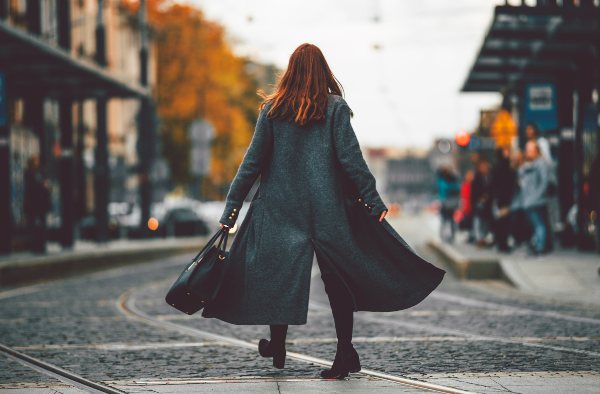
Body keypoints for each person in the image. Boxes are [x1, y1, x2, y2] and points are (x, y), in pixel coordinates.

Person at [201, 43, 445, 379]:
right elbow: (351, 160)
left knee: (280, 276)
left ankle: (278, 345)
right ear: (323, 72)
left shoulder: (272, 110)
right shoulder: (335, 108)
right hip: (327, 210)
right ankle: (344, 352)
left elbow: (252, 162)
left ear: (291, 72)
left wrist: (231, 208)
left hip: (279, 210)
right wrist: (372, 200)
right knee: (337, 281)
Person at [518, 141, 549, 256]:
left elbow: (544, 182)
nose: (528, 152)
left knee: (539, 224)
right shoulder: (528, 165)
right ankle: (537, 244)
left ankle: (540, 246)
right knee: (535, 224)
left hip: (536, 201)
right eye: (527, 150)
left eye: (530, 150)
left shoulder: (541, 164)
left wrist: (536, 196)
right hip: (528, 201)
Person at [491, 147, 516, 252]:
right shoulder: (506, 165)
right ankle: (503, 244)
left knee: (500, 222)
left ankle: (501, 243)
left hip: (499, 198)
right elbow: (509, 182)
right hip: (505, 198)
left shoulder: (496, 166)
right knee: (505, 222)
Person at [23, 155, 51, 253]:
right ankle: (35, 246)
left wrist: (45, 185)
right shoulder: (29, 173)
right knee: (34, 225)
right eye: (35, 161)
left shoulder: (40, 173)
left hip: (41, 204)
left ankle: (41, 245)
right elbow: (32, 188)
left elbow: (45, 186)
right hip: (33, 204)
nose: (37, 163)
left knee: (42, 224)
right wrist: (42, 185)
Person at [471, 158, 493, 247]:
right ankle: (479, 238)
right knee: (478, 221)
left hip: (488, 203)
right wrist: (479, 199)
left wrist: (488, 197)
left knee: (486, 222)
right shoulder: (477, 177)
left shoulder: (490, 176)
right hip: (478, 202)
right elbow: (474, 191)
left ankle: (483, 237)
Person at [436, 165, 460, 243]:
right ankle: (446, 236)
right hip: (448, 202)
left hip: (448, 202)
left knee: (448, 220)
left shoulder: (445, 180)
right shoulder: (444, 179)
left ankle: (448, 236)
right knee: (447, 220)